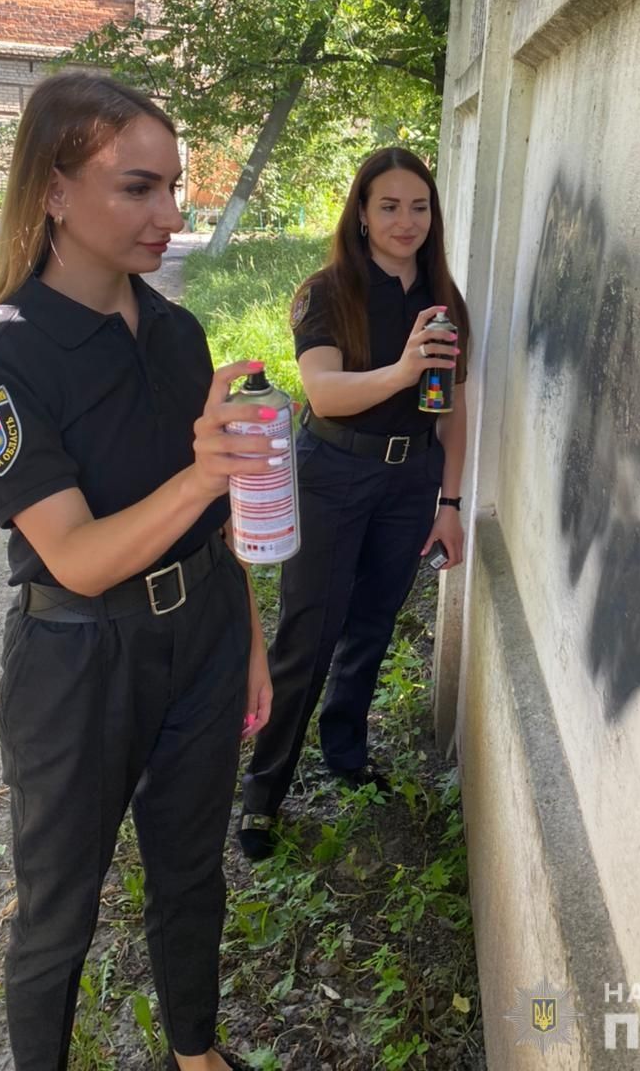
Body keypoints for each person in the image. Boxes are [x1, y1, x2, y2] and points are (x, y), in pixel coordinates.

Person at [0, 73, 276, 1071]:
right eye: (138, 187)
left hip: (204, 634)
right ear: (53, 190)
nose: (171, 215)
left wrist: (249, 644)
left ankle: (196, 1052)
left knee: (192, 870)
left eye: (174, 186)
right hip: (80, 658)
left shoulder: (177, 331)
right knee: (58, 911)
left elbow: (218, 519)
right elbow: (78, 556)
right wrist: (204, 468)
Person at [238, 146, 468, 860]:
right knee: (308, 634)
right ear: (361, 215)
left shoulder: (444, 300)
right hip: (333, 473)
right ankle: (262, 793)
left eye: (419, 206)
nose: (406, 221)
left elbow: (453, 409)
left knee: (372, 624)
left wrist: (451, 500)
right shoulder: (328, 292)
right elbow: (324, 392)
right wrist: (403, 369)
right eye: (389, 206)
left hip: (410, 481)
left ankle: (345, 751)